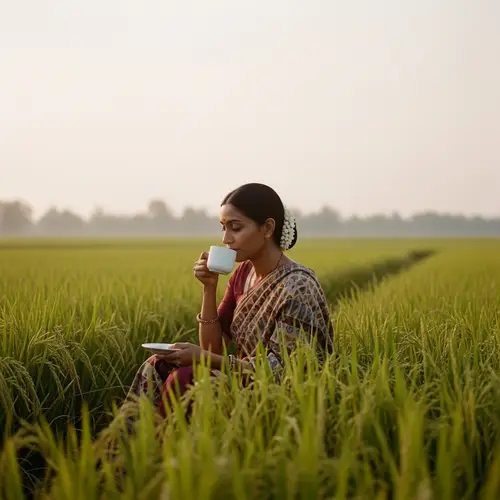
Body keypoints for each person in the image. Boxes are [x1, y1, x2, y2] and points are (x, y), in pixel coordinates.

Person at [125, 183, 334, 417]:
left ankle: (167, 447)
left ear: (267, 228)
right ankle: (130, 446)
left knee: (186, 378)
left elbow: (280, 370)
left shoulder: (297, 286)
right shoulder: (244, 274)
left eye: (235, 227)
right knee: (159, 364)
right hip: (242, 375)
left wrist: (201, 358)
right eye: (223, 227)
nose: (226, 238)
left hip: (274, 390)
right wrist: (209, 288)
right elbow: (213, 348)